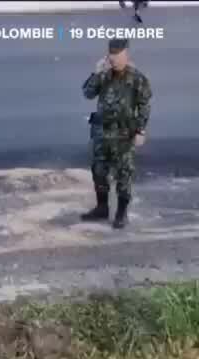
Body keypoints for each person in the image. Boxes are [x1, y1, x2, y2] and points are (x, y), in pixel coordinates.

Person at [81, 38, 152, 229]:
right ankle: (102, 208)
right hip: (102, 133)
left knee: (124, 173)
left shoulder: (137, 78)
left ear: (126, 55)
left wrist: (141, 130)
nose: (114, 60)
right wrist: (96, 73)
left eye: (118, 56)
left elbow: (144, 105)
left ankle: (121, 213)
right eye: (111, 56)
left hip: (124, 134)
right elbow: (87, 93)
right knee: (99, 171)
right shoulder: (104, 75)